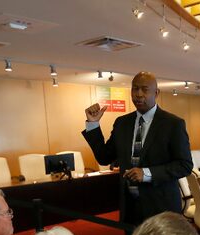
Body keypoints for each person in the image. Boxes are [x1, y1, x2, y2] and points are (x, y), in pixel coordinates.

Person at [82, 71, 193, 226]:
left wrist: (147, 173)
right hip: (130, 209)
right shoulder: (122, 123)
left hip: (161, 209)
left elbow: (184, 165)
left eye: (145, 89)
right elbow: (104, 157)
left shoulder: (173, 124)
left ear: (156, 93)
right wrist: (93, 124)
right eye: (135, 89)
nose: (138, 94)